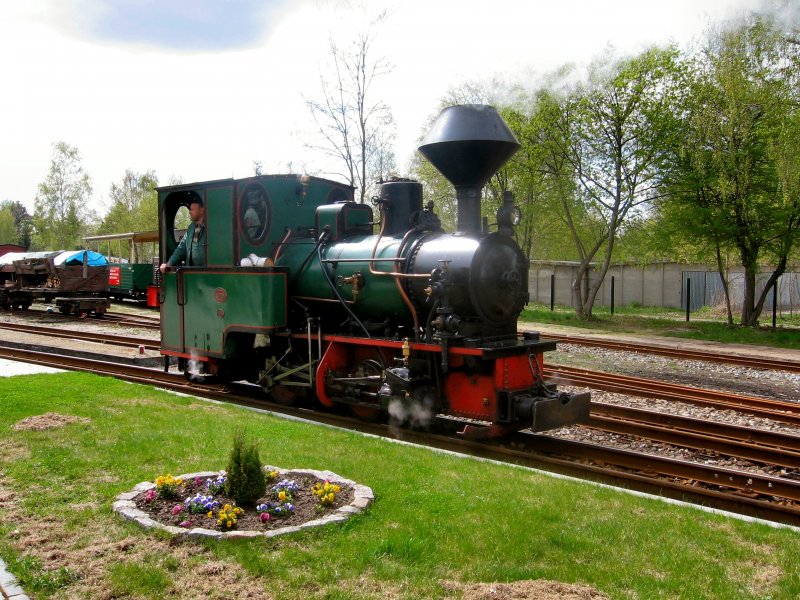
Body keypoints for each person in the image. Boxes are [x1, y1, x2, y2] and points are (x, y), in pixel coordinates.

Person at [159, 198, 206, 272]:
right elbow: (181, 248)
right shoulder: (191, 228)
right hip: (193, 272)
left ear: (201, 210)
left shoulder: (210, 227)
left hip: (207, 271)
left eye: (192, 209)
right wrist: (168, 264)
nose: (190, 212)